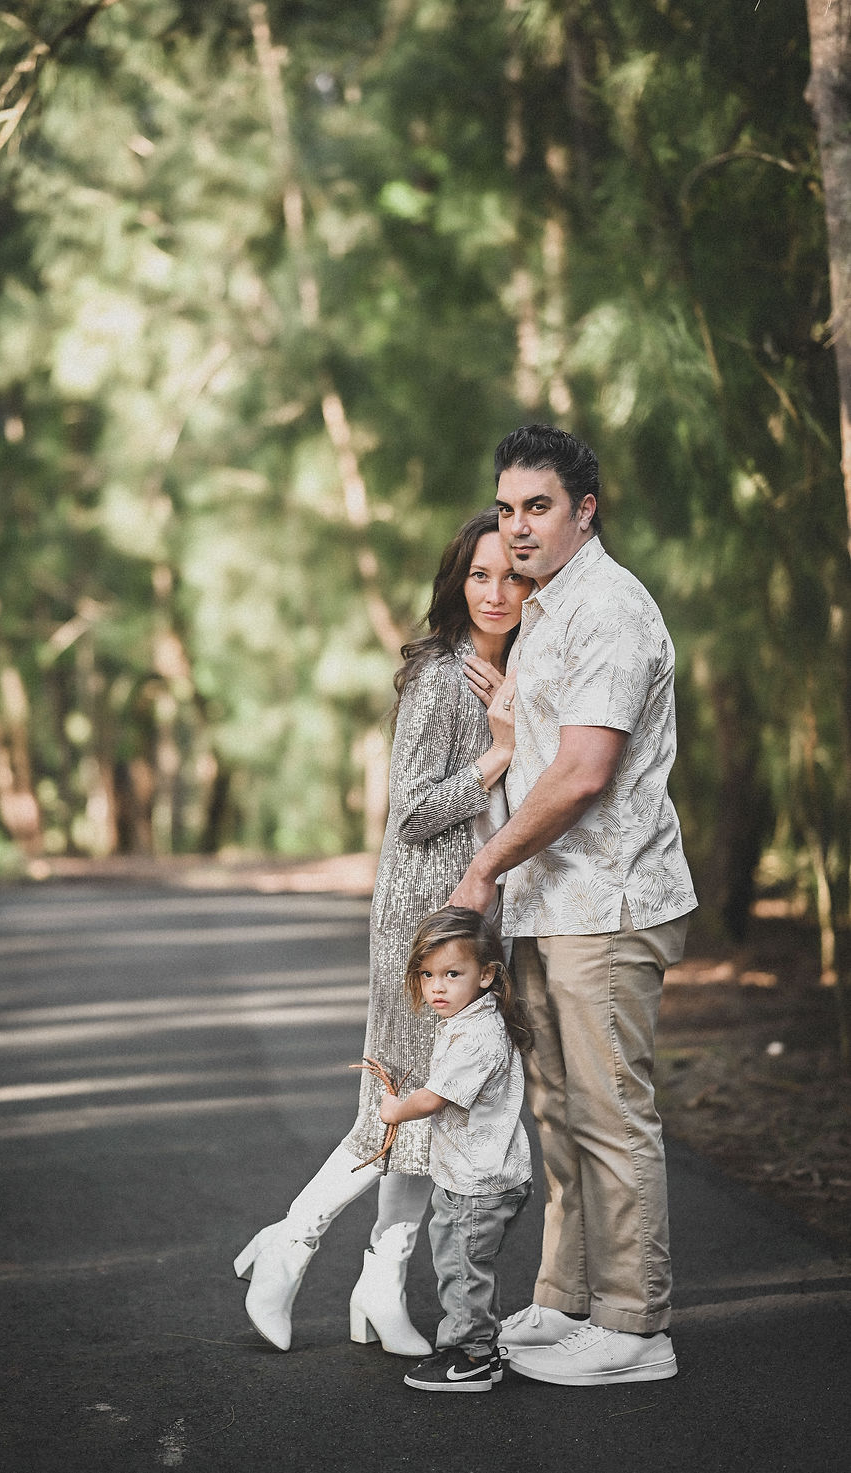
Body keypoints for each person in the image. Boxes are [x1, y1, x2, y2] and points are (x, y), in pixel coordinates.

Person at [234, 508, 529, 1353]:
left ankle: (382, 1284)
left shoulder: (519, 667)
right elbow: (411, 812)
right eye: (478, 574)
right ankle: (290, 1245)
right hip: (421, 918)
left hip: (479, 917)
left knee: (437, 1112)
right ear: (456, 582)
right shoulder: (443, 674)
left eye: (510, 573)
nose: (495, 590)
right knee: (395, 1105)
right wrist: (496, 754)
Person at [450, 424, 697, 1386]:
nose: (515, 528)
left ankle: (637, 1328)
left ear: (584, 511)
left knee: (610, 1110)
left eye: (538, 507)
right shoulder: (547, 609)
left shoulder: (613, 609)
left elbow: (586, 772)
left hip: (612, 897)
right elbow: (543, 743)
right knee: (556, 1108)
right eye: (506, 508)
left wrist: (484, 869)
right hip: (551, 899)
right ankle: (567, 1297)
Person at [377, 907, 533, 1392]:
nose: (436, 987)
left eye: (451, 974)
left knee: (462, 1270)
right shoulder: (470, 1020)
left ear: (486, 975)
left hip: (478, 1183)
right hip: (470, 1175)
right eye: (427, 975)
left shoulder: (479, 1037)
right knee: (465, 1263)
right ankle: (478, 1343)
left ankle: (471, 1356)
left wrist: (394, 1110)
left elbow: (435, 1098)